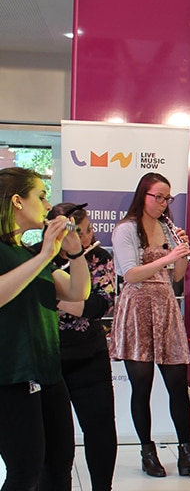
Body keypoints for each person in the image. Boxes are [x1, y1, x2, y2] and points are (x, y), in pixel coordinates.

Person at [109, 172, 190, 477]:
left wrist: (182, 251)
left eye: (168, 198)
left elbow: (177, 275)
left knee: (178, 385)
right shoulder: (126, 229)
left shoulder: (168, 228)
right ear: (144, 195)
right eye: (159, 197)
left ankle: (186, 453)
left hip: (165, 306)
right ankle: (148, 453)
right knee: (141, 388)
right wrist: (167, 257)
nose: (164, 203)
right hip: (137, 308)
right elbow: (130, 274)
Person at [0, 167, 90, 490]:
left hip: (48, 373)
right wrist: (44, 255)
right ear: (17, 202)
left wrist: (75, 251)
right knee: (24, 469)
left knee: (59, 464)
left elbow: (78, 293)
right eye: (40, 196)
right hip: (11, 376)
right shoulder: (23, 255)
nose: (47, 202)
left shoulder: (30, 253)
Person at [47, 203, 118, 491]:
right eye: (81, 231)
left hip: (91, 355)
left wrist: (56, 299)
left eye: (89, 230)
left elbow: (99, 305)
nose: (88, 237)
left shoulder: (100, 257)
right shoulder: (39, 257)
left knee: (100, 430)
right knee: (55, 439)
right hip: (51, 358)